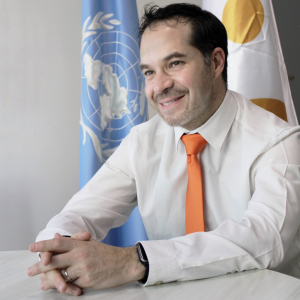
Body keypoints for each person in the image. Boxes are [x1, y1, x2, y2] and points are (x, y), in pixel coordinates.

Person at [27, 3, 300, 297]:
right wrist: (58, 252)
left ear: (216, 62)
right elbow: (78, 214)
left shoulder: (278, 142)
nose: (159, 86)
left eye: (175, 64)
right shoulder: (142, 142)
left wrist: (135, 261)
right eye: (148, 71)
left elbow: (266, 239)